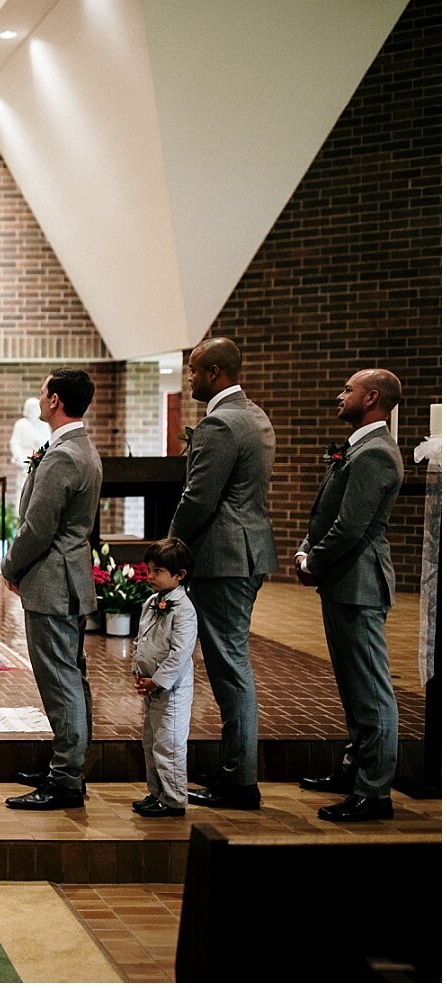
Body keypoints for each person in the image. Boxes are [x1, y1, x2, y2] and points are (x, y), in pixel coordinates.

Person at [168, 337, 276, 810]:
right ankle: (236, 768)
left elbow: (198, 498)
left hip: (223, 558)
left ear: (214, 373)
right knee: (232, 664)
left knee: (230, 668)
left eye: (192, 370)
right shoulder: (256, 416)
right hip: (248, 552)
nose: (188, 378)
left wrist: (170, 547)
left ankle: (239, 781)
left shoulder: (220, 423)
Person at [295, 369, 405, 822]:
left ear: (372, 397)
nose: (339, 396)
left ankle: (374, 791)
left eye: (348, 390)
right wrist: (306, 547)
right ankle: (355, 769)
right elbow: (329, 512)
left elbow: (351, 526)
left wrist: (313, 560)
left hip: (359, 581)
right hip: (344, 580)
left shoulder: (376, 453)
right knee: (352, 687)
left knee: (371, 691)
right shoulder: (360, 446)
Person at [0, 368, 102, 810]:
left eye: (43, 392)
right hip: (68, 575)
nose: (39, 399)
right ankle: (67, 764)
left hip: (53, 578)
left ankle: (65, 779)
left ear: (56, 400)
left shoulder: (64, 455)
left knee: (60, 679)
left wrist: (10, 564)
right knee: (70, 674)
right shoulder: (76, 447)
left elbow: (39, 527)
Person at [130, 538, 198, 819]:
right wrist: (139, 669)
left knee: (168, 743)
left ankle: (173, 799)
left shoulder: (184, 610)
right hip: (152, 686)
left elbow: (180, 653)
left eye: (157, 571)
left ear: (179, 575)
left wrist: (158, 680)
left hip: (172, 690)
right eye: (149, 570)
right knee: (151, 741)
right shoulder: (151, 602)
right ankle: (156, 792)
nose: (150, 576)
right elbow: (142, 639)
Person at [9, 396, 50, 514]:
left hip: (40, 463)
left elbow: (48, 444)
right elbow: (15, 443)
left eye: (35, 408)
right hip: (25, 461)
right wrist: (22, 460)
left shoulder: (44, 425)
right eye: (30, 408)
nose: (32, 411)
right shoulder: (21, 424)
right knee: (23, 490)